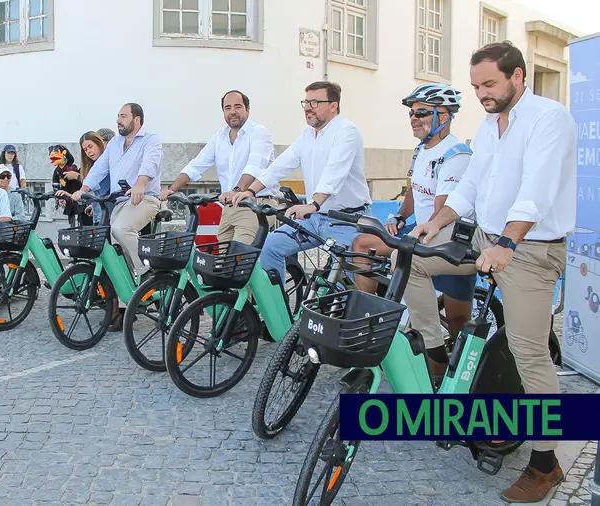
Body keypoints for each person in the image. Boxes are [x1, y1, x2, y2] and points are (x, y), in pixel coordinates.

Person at [403, 41, 575, 503]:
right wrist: (435, 223)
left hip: (530, 250)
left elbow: (537, 190)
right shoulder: (488, 124)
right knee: (412, 265)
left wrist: (507, 243)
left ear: (518, 76)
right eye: (476, 85)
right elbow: (473, 183)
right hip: (485, 239)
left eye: (490, 84)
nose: (482, 93)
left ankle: (545, 464)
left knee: (530, 354)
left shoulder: (548, 117)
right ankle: (438, 354)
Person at [351, 83, 475, 339]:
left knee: (457, 321)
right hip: (419, 229)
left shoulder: (456, 155)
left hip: (448, 237)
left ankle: (447, 360)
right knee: (362, 243)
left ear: (443, 116)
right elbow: (414, 191)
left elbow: (441, 212)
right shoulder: (422, 150)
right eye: (412, 113)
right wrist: (399, 216)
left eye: (421, 113)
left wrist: (413, 233)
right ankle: (368, 321)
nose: (414, 119)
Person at [232, 81, 372, 284]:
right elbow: (280, 165)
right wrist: (251, 191)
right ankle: (278, 311)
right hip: (314, 219)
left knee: (346, 284)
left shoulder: (346, 132)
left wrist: (312, 204)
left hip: (347, 221)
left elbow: (334, 173)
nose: (307, 107)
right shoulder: (307, 135)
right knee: (270, 247)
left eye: (314, 102)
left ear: (333, 105)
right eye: (305, 102)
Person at [59, 103, 163, 330]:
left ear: (137, 120)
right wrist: (82, 189)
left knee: (120, 230)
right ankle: (128, 304)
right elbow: (99, 169)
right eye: (118, 116)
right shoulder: (115, 143)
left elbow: (150, 163)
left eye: (123, 116)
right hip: (120, 202)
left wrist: (140, 183)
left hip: (144, 199)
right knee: (115, 250)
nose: (119, 120)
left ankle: (147, 273)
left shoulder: (150, 140)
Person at [162, 90, 277, 244]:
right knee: (219, 260)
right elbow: (197, 164)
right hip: (229, 207)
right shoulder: (219, 137)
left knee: (238, 258)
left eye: (238, 107)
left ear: (247, 109)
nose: (233, 112)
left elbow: (254, 167)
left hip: (256, 205)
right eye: (227, 108)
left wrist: (236, 191)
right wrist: (172, 189)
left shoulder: (259, 133)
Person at [50, 144, 92, 227]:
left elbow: (81, 184)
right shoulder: (57, 171)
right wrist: (60, 198)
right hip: (67, 198)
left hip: (78, 198)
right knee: (72, 222)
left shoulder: (72, 168)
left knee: (81, 220)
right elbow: (56, 185)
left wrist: (76, 176)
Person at [79, 131, 110, 224]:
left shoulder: (109, 163)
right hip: (99, 216)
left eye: (90, 146)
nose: (89, 152)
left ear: (99, 144)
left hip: (111, 217)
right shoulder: (91, 167)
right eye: (85, 149)